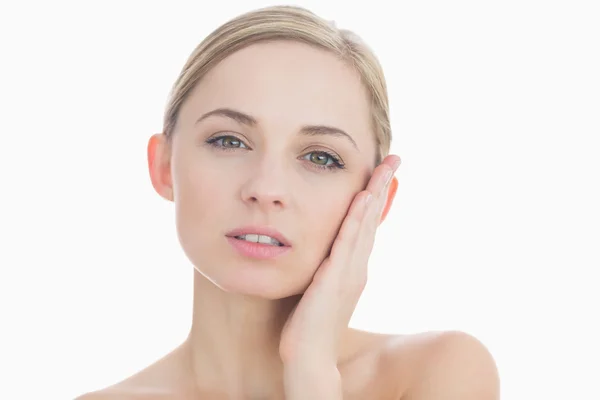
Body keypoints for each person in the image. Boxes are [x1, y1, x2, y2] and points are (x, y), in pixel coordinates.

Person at [77, 5, 499, 399]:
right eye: (229, 141)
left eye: (320, 157)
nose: (266, 188)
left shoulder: (437, 374)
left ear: (377, 200)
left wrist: (311, 370)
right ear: (164, 166)